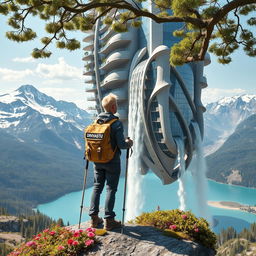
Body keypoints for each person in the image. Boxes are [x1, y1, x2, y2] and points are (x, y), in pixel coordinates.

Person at [88, 93, 133, 230]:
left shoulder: (96, 122)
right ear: (113, 107)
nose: (117, 107)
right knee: (111, 189)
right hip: (112, 162)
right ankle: (109, 220)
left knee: (97, 187)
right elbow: (121, 145)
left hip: (97, 160)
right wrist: (129, 143)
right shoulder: (116, 123)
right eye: (116, 105)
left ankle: (94, 219)